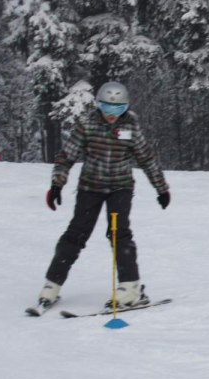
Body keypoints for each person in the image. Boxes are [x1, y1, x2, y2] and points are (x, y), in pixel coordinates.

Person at [35, 81, 171, 312]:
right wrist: (57, 184)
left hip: (120, 188)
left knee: (119, 233)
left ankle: (130, 287)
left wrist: (161, 188)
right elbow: (67, 155)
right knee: (76, 234)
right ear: (98, 105)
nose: (111, 114)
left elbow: (146, 158)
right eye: (107, 108)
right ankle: (52, 284)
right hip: (90, 187)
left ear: (126, 108)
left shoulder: (131, 126)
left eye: (118, 109)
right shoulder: (87, 124)